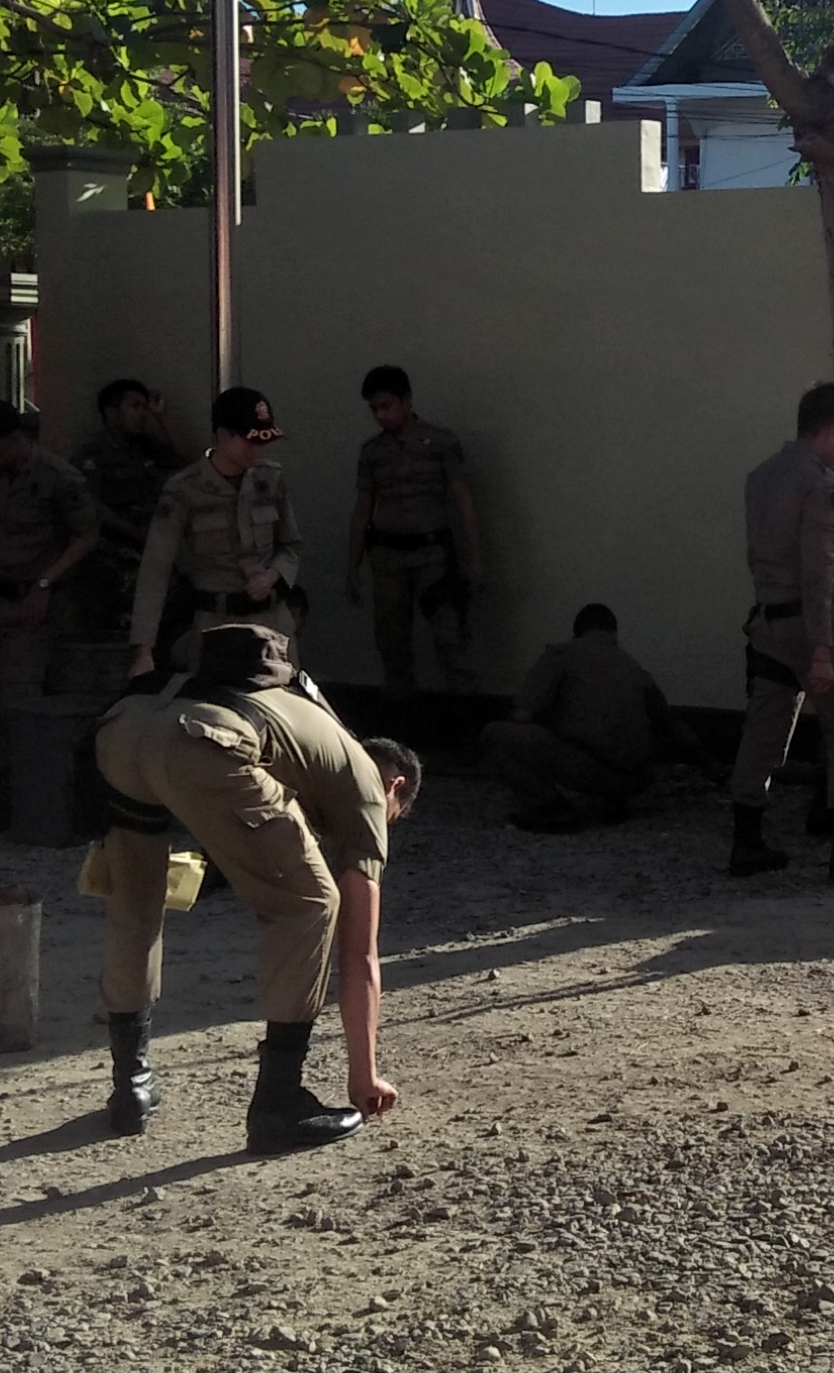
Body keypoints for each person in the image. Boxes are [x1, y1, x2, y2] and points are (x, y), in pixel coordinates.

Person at [90, 624, 420, 1152]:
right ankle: (279, 1105)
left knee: (135, 905)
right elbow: (360, 954)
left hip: (122, 727)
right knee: (311, 905)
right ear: (394, 787)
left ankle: (130, 1086)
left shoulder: (303, 724)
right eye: (394, 817)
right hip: (204, 740)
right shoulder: (364, 783)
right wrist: (365, 1076)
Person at [729, 382, 834, 886]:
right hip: (813, 621)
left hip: (768, 620)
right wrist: (824, 648)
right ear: (828, 430)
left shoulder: (762, 476)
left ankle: (746, 840)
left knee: (765, 728)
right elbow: (820, 569)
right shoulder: (820, 485)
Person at [128, 388, 304, 677]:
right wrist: (143, 650)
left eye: (263, 441)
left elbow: (292, 546)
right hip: (215, 624)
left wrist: (273, 575)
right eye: (249, 440)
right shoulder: (184, 489)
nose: (257, 449)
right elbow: (155, 568)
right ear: (223, 436)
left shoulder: (270, 478)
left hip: (273, 625)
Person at [481, 603, 699, 833]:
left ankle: (550, 809)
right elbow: (673, 726)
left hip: (590, 771)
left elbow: (522, 716)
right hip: (639, 778)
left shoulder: (561, 654)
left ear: (577, 632)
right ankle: (614, 800)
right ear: (614, 633)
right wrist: (715, 768)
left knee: (494, 735)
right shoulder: (633, 667)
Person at [346, 365, 484, 697]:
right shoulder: (373, 452)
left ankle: (462, 723)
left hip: (433, 555)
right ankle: (401, 724)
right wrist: (352, 565)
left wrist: (477, 558)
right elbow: (363, 509)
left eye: (387, 406)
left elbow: (463, 500)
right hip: (387, 557)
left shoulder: (440, 442)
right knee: (392, 645)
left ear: (406, 401)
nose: (381, 416)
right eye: (374, 409)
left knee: (450, 638)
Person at [0, 400, 103, 701]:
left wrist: (45, 582)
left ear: (13, 440)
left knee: (19, 692)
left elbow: (86, 536)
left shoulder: (59, 477)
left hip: (36, 603)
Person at [77, 378, 187, 604]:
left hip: (152, 546)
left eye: (145, 407)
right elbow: (90, 503)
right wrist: (134, 531)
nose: (143, 414)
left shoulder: (146, 445)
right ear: (112, 412)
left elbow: (187, 463)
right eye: (135, 406)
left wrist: (162, 417)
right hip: (114, 551)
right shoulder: (94, 452)